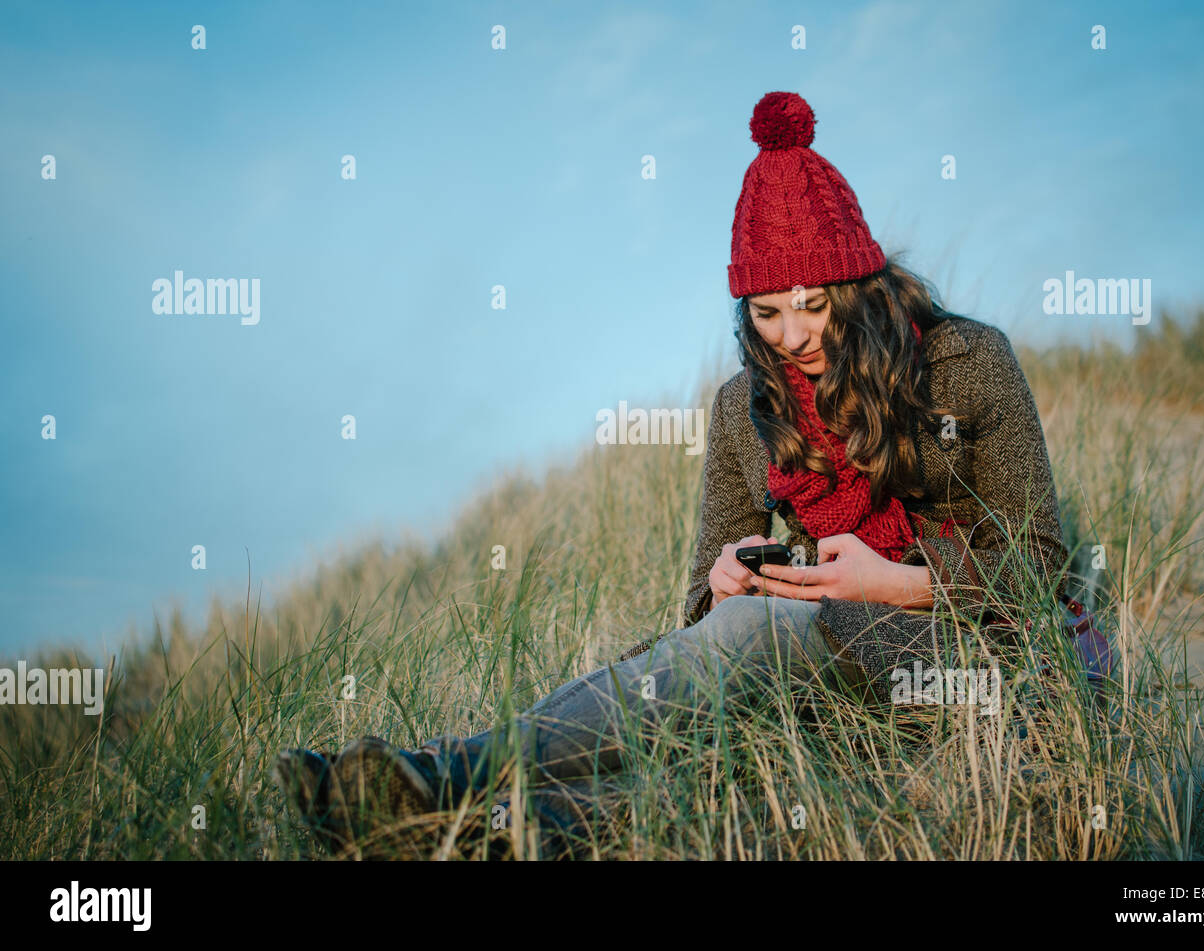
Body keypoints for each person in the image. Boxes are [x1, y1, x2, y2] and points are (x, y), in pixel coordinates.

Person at [274, 91, 1071, 858]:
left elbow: (1039, 564)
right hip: (816, 666)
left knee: (753, 644)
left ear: (855, 285)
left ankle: (446, 773)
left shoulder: (966, 363)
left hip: (970, 671)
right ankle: (489, 827)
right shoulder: (741, 409)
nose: (790, 335)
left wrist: (895, 582)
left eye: (811, 304)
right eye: (765, 313)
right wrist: (722, 585)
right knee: (724, 720)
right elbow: (701, 599)